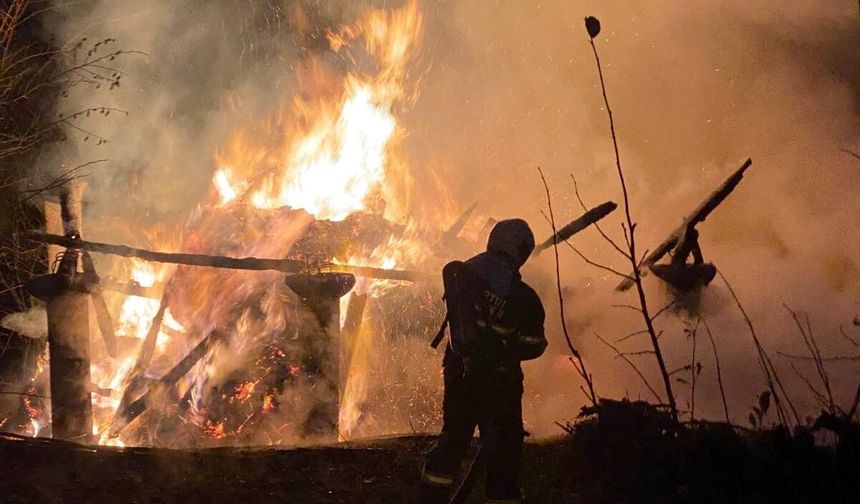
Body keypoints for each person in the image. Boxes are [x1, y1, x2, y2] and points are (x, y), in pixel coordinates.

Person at [419, 218, 547, 504]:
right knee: (505, 446)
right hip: (499, 383)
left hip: (459, 372)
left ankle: (431, 495)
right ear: (521, 251)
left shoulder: (463, 275)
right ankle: (502, 497)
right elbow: (534, 344)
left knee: (454, 438)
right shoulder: (521, 295)